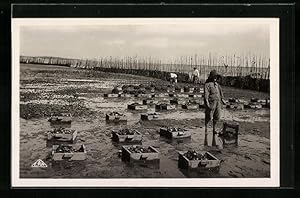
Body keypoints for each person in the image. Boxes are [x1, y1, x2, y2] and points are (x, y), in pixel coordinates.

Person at [204, 70, 226, 146]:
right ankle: (206, 129)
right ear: (211, 77)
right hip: (211, 103)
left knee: (217, 117)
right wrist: (207, 103)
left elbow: (221, 93)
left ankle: (214, 129)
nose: (215, 78)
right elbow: (206, 95)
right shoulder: (207, 85)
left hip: (218, 103)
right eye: (214, 77)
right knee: (209, 117)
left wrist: (223, 100)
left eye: (216, 77)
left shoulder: (217, 85)